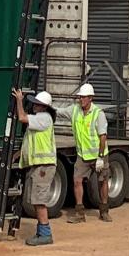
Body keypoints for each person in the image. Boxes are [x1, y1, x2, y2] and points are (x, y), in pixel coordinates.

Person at [13, 88, 61, 246]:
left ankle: (45, 234)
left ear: (44, 107)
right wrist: (18, 155)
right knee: (36, 200)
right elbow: (31, 142)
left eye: (37, 104)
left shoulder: (44, 118)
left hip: (43, 167)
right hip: (39, 166)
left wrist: (19, 100)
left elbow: (21, 117)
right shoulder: (41, 119)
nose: (33, 105)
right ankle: (42, 232)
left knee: (39, 201)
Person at [68, 82, 110, 223]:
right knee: (77, 180)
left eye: (84, 97)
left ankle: (104, 211)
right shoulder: (75, 111)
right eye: (80, 97)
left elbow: (102, 136)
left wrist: (100, 157)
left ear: (90, 98)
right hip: (83, 156)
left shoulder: (98, 114)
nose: (81, 100)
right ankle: (80, 213)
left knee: (102, 181)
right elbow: (59, 112)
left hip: (98, 155)